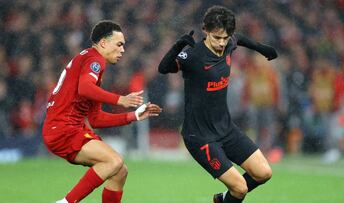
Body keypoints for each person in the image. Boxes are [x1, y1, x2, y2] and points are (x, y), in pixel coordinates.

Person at [158, 6, 277, 203]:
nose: (222, 43)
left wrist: (261, 48)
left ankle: (222, 200)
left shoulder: (229, 42)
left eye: (225, 38)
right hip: (200, 136)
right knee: (239, 188)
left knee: (263, 173)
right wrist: (178, 46)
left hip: (226, 129)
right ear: (205, 30)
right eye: (217, 38)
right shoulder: (194, 55)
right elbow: (163, 68)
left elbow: (239, 38)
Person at [42, 20, 162, 203]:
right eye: (119, 44)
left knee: (120, 171)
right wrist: (120, 99)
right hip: (63, 128)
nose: (122, 50)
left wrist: (134, 115)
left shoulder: (88, 63)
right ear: (104, 43)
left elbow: (96, 119)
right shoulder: (94, 60)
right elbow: (84, 88)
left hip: (66, 129)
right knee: (114, 161)